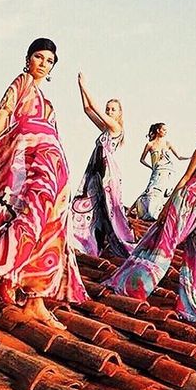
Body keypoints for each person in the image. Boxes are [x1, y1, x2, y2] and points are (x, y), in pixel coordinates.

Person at [0, 38, 88, 328]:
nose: (43, 63)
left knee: (53, 229)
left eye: (49, 60)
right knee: (27, 222)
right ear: (27, 59)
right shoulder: (22, 83)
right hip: (28, 166)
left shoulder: (48, 104)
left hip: (53, 170)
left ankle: (35, 299)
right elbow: (0, 118)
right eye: (38, 57)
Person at [105, 108, 196, 337]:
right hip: (188, 201)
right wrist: (166, 207)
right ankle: (131, 286)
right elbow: (186, 177)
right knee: (162, 247)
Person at [70, 72, 135, 258]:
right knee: (88, 204)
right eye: (108, 109)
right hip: (96, 171)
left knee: (105, 208)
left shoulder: (116, 128)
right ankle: (82, 241)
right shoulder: (106, 129)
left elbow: (95, 108)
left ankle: (99, 243)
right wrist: (80, 87)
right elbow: (87, 110)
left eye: (113, 109)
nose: (109, 111)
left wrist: (86, 86)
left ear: (120, 113)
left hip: (106, 173)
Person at [132, 123, 189, 221]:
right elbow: (142, 159)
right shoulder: (150, 144)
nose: (166, 132)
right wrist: (151, 167)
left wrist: (191, 157)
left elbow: (179, 157)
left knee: (166, 194)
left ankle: (162, 214)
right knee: (150, 191)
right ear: (158, 131)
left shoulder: (167, 143)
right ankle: (135, 211)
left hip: (169, 171)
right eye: (164, 130)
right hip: (157, 171)